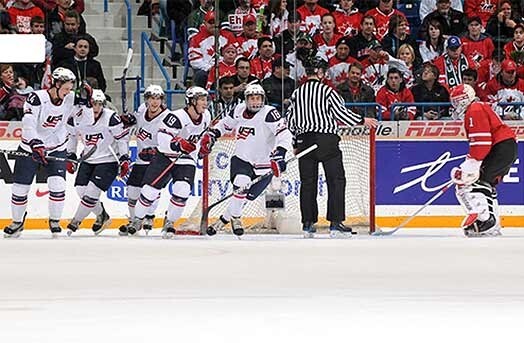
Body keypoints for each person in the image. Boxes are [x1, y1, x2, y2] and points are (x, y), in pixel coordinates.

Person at [286, 55, 378, 238]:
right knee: (336, 181)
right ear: (320, 72)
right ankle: (335, 224)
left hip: (305, 141)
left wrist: (296, 142)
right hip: (326, 141)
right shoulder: (327, 91)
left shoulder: (297, 93)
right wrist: (362, 120)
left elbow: (290, 120)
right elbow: (341, 114)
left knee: (308, 183)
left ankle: (308, 224)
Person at [204, 84, 293, 237]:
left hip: (264, 165)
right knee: (241, 184)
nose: (255, 101)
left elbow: (284, 133)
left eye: (258, 98)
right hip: (242, 159)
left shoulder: (269, 113)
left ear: (263, 99)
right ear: (246, 99)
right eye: (252, 98)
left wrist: (281, 153)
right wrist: (214, 133)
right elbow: (225, 124)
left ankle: (224, 219)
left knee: (246, 197)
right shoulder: (238, 110)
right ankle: (237, 218)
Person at [126, 87, 211, 238]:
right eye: (202, 99)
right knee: (149, 191)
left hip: (186, 159)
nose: (205, 103)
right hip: (165, 156)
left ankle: (170, 221)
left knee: (182, 189)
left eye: (206, 99)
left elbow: (203, 137)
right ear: (192, 101)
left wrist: (204, 146)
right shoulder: (176, 117)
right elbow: (163, 141)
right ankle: (137, 219)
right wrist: (179, 144)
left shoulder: (206, 116)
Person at [3, 67, 77, 238]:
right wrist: (35, 144)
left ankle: (55, 221)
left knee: (57, 186)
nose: (68, 92)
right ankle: (17, 222)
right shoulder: (36, 98)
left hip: (57, 147)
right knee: (20, 188)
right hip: (31, 148)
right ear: (55, 84)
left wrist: (87, 98)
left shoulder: (70, 98)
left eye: (70, 89)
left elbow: (85, 114)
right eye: (65, 88)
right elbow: (28, 124)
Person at [449, 84, 517, 237]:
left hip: (500, 147)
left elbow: (481, 143)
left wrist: (470, 164)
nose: (457, 106)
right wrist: (470, 162)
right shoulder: (476, 107)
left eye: (459, 101)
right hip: (504, 147)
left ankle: (485, 220)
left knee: (477, 182)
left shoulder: (475, 109)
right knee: (487, 183)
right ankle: (493, 224)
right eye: (455, 102)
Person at [65, 89, 130, 236]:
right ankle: (102, 215)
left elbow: (121, 138)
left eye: (100, 104)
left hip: (108, 161)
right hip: (88, 160)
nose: (96, 107)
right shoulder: (76, 117)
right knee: (81, 191)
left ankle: (75, 222)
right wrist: (71, 154)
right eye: (93, 104)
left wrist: (124, 158)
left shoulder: (111, 118)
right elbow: (72, 137)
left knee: (91, 193)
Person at [118, 85, 172, 236]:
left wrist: (157, 150)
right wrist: (129, 120)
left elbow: (171, 139)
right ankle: (134, 220)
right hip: (141, 159)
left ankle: (148, 216)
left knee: (150, 189)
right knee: (132, 190)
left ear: (162, 100)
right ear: (146, 100)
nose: (154, 102)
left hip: (159, 160)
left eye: (157, 99)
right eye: (151, 98)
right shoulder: (142, 109)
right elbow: (134, 120)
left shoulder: (167, 118)